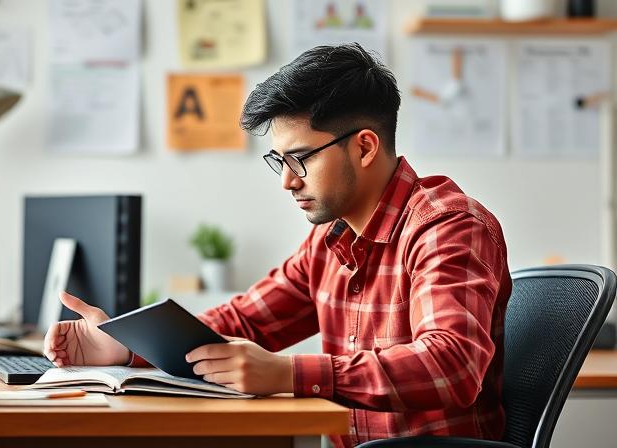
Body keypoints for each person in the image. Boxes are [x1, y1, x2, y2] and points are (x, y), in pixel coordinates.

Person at [44, 43, 511, 447]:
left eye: (300, 158)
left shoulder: (448, 226)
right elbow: (243, 322)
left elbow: (451, 363)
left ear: (365, 147)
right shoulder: (329, 240)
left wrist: (289, 374)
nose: (287, 181)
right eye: (279, 160)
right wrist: (124, 346)